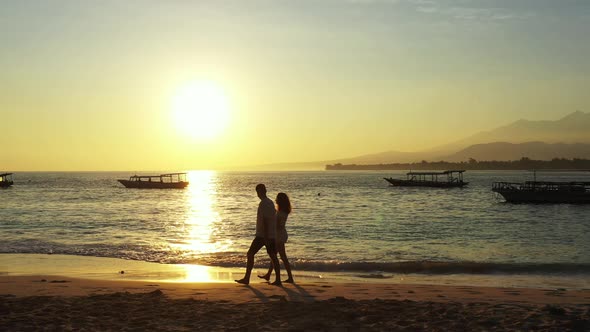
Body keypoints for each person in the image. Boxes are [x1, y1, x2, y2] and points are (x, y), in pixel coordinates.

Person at [235, 184, 282, 285]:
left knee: (251, 254)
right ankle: (278, 280)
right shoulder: (270, 202)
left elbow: (265, 220)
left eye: (259, 191)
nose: (258, 194)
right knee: (273, 257)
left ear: (262, 192)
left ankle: (247, 278)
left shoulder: (264, 203)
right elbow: (272, 218)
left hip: (263, 235)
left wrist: (265, 237)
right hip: (270, 234)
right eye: (258, 191)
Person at [259, 192, 294, 283]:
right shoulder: (282, 211)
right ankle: (268, 275)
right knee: (274, 255)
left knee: (282, 257)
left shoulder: (281, 212)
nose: (275, 200)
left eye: (277, 199)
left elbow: (278, 225)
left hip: (279, 236)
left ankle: (290, 277)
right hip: (280, 234)